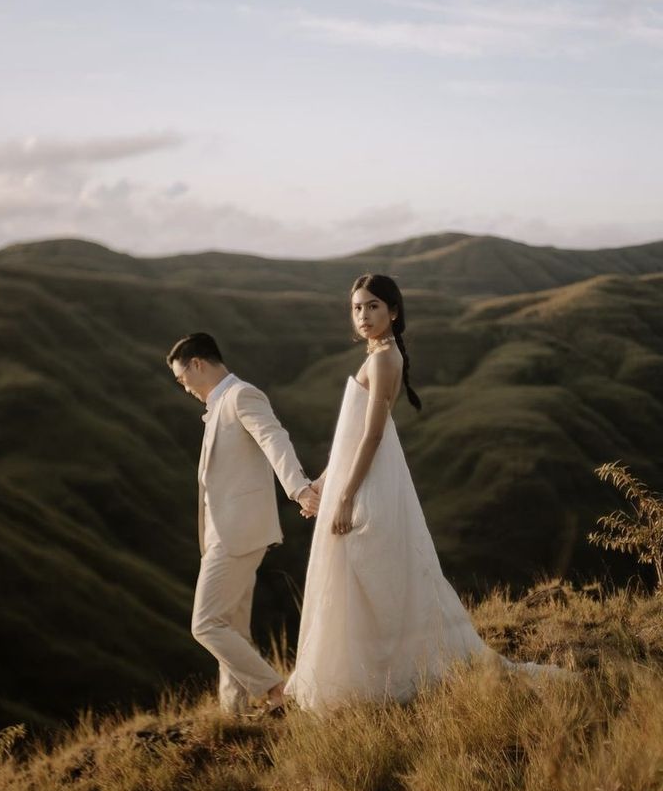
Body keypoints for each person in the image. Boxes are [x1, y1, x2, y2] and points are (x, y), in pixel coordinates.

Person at [285, 275, 558, 714]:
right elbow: (351, 436)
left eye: (373, 307)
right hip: (360, 476)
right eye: (357, 308)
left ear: (393, 311)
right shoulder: (377, 355)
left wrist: (346, 495)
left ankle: (385, 677)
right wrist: (322, 483)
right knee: (364, 580)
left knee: (373, 580)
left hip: (369, 483)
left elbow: (371, 437)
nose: (363, 316)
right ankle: (371, 677)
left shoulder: (384, 359)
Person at [167, 332, 320, 716]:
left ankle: (277, 691)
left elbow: (274, 438)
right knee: (231, 629)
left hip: (236, 536)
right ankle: (231, 713)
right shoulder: (219, 404)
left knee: (205, 625)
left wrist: (298, 488)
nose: (183, 387)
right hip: (224, 534)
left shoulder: (241, 396)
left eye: (181, 377)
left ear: (197, 364)